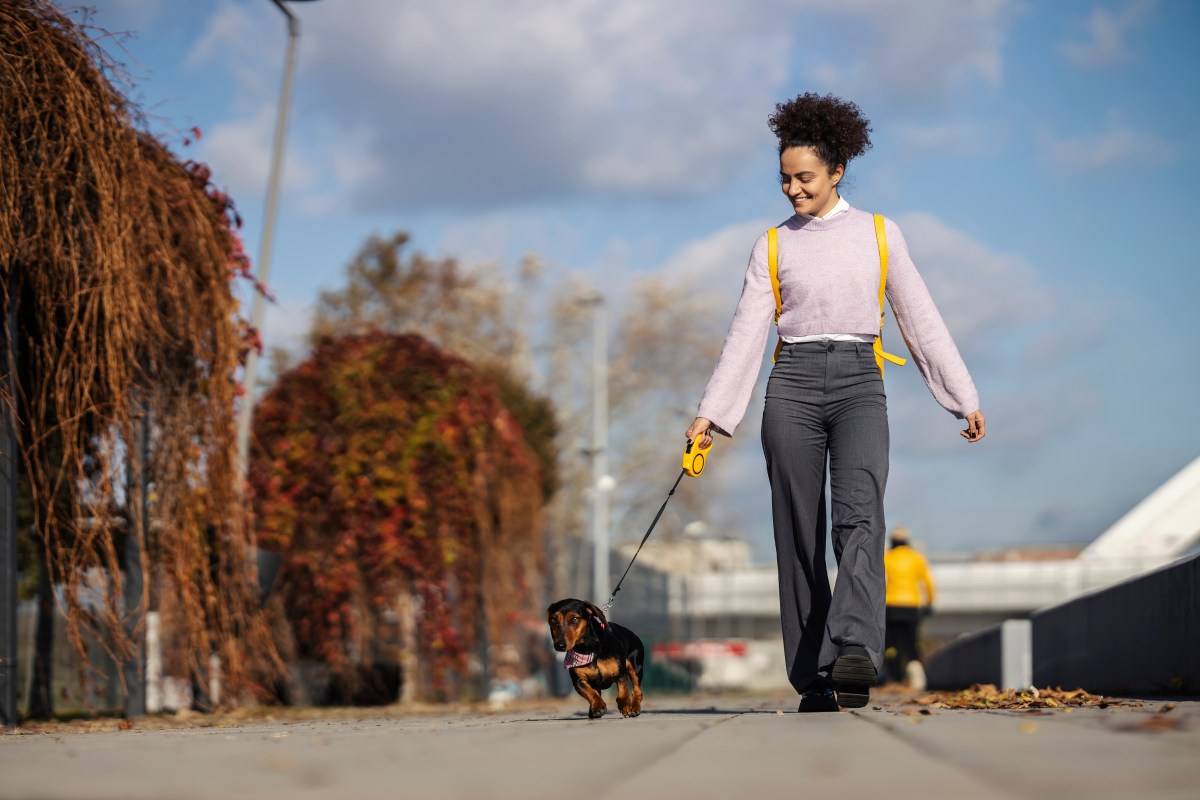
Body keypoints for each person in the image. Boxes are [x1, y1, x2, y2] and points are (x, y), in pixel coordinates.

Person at [685, 93, 985, 713]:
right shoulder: (772, 245)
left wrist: (961, 395)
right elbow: (746, 333)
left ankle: (852, 651)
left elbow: (918, 317)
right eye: (784, 179)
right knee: (797, 531)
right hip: (791, 382)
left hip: (858, 384)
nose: (793, 190)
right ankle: (810, 677)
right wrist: (712, 416)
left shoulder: (879, 233)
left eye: (805, 178)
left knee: (859, 518)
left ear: (837, 170)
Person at [883, 525, 935, 688]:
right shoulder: (916, 558)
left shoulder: (887, 557)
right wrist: (930, 602)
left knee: (891, 644)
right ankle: (917, 677)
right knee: (911, 642)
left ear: (892, 540)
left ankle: (895, 677)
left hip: (891, 606)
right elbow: (928, 582)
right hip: (911, 606)